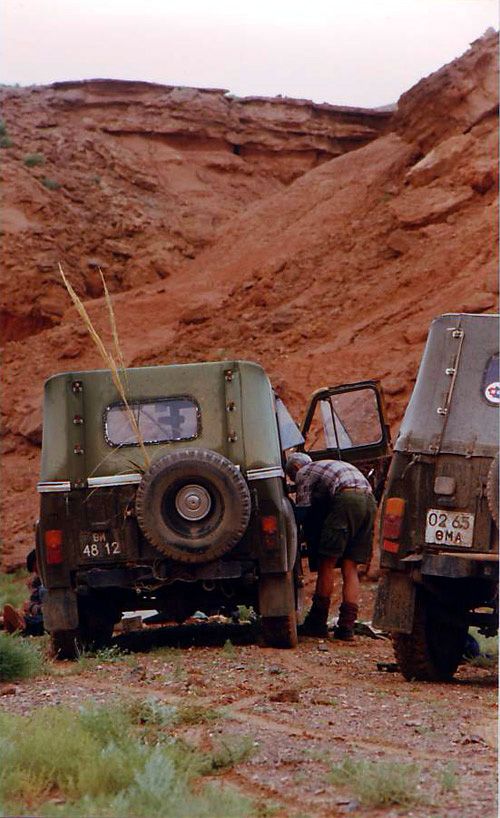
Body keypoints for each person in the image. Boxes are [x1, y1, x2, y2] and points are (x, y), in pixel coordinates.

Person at [285, 452, 376, 640]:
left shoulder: (304, 472)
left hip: (347, 500)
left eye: (292, 477)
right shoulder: (329, 465)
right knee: (350, 567)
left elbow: (304, 510)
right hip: (369, 501)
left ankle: (317, 623)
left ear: (295, 468)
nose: (295, 480)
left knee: (326, 563)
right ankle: (346, 627)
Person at [2, 549, 45, 636]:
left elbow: (48, 609)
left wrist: (33, 607)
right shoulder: (38, 583)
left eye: (37, 569)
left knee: (43, 620)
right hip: (43, 614)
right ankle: (15, 623)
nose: (37, 573)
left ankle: (21, 624)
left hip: (51, 616)